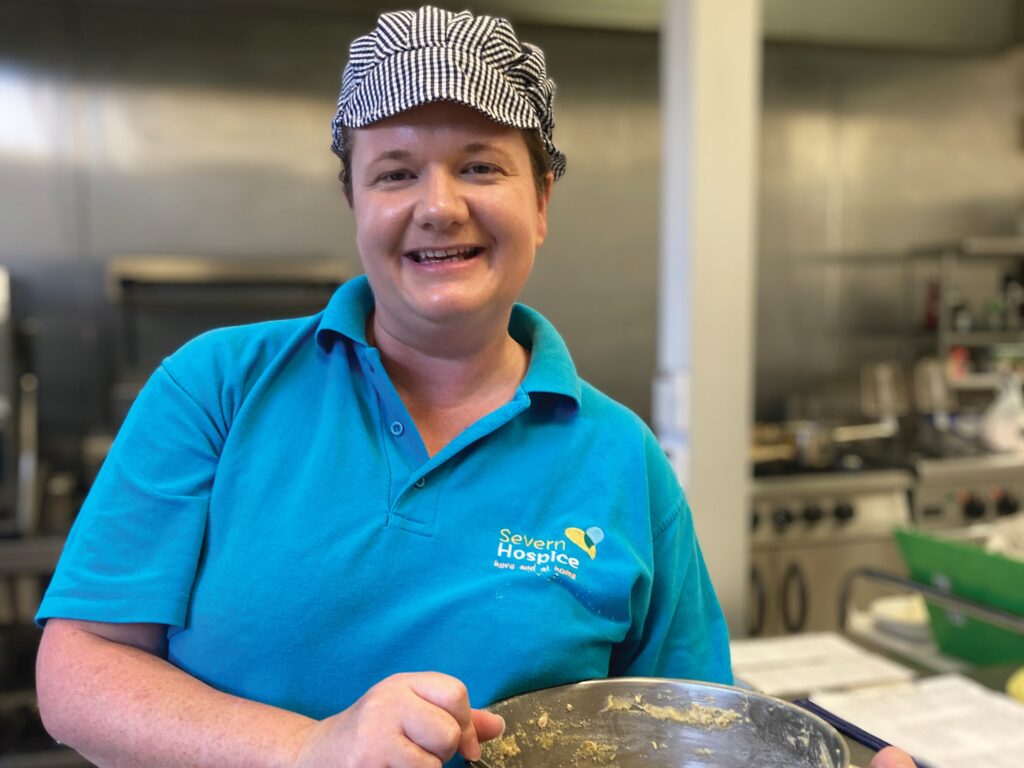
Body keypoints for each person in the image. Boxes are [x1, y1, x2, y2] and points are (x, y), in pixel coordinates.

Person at [34, 6, 916, 768]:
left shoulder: (621, 461)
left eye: (481, 165)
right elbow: (76, 672)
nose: (439, 205)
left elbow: (691, 733)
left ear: (542, 202)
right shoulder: (218, 387)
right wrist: (308, 749)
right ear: (355, 203)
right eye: (395, 171)